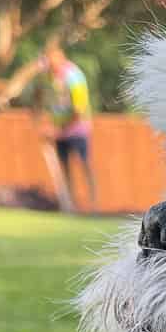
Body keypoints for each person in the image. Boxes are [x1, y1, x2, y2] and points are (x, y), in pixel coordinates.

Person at [41, 45, 97, 212]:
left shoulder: (74, 77)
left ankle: (94, 206)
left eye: (52, 64)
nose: (50, 68)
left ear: (60, 60)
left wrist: (59, 130)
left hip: (77, 130)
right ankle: (70, 206)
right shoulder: (50, 77)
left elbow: (78, 110)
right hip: (60, 132)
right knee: (65, 168)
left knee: (84, 164)